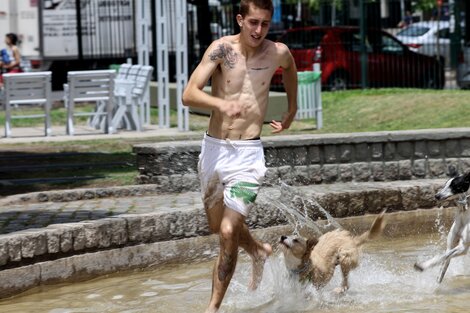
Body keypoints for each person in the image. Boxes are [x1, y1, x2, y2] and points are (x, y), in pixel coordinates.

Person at [182, 0, 297, 312]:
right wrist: (221, 105)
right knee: (217, 226)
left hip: (248, 156)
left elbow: (290, 71)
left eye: (264, 24)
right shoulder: (221, 49)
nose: (259, 30)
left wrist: (291, 110)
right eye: (253, 23)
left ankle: (213, 307)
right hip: (213, 151)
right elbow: (189, 93)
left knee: (229, 230)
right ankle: (258, 250)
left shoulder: (278, 52)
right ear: (240, 20)